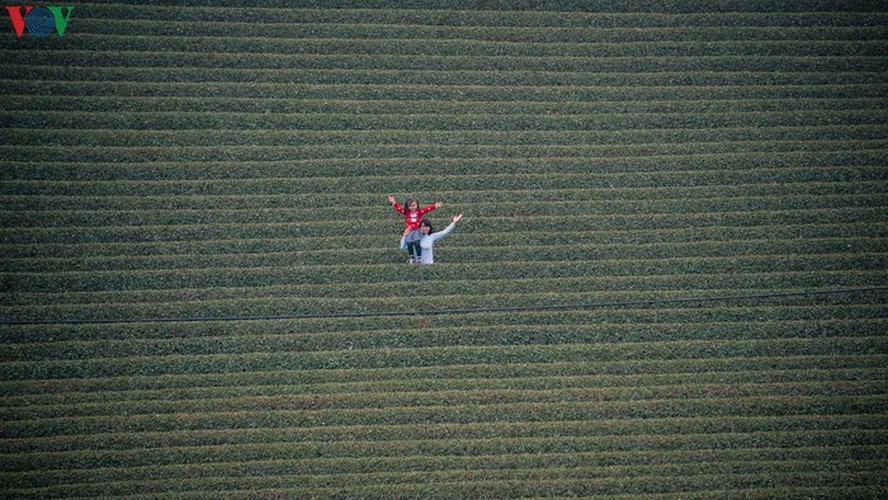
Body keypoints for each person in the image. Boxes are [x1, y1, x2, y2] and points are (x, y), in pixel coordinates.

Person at [388, 195, 441, 264]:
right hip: (409, 231)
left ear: (417, 205)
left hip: (416, 230)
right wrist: (394, 202)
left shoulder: (419, 212)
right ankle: (412, 256)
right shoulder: (407, 212)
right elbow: (399, 209)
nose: (412, 207)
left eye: (414, 205)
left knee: (416, 243)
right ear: (408, 206)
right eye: (411, 206)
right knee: (409, 244)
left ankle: (419, 257)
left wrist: (434, 206)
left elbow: (426, 209)